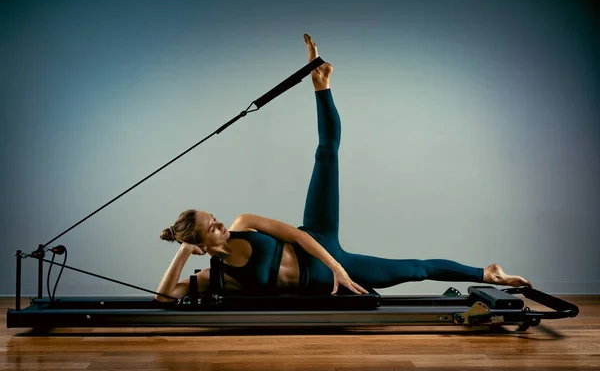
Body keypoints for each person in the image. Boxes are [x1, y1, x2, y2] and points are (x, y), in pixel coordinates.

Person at [155, 34, 533, 301]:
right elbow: (164, 299)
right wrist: (183, 253)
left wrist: (338, 269)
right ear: (201, 242)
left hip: (321, 241)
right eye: (212, 227)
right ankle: (487, 275)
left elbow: (301, 238)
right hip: (325, 275)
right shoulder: (215, 277)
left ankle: (322, 86)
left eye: (214, 217)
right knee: (415, 270)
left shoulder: (244, 222)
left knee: (326, 154)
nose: (220, 223)